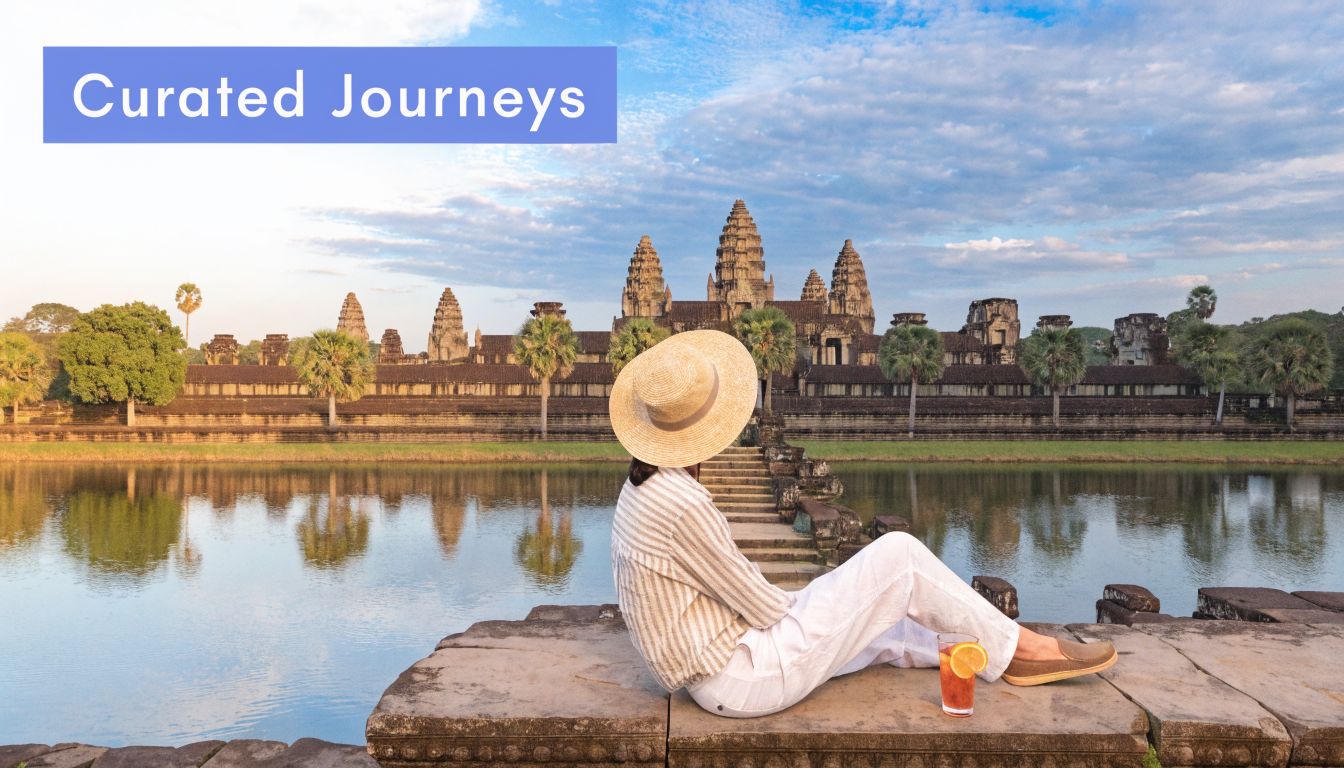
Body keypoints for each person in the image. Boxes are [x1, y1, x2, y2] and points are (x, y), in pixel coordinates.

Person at [608, 329, 1116, 718]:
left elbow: (745, 598)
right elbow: (762, 607)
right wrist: (819, 601)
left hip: (719, 669)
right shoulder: (681, 504)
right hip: (739, 677)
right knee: (897, 556)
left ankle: (968, 652)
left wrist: (829, 599)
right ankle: (1020, 650)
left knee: (877, 611)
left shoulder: (644, 488)